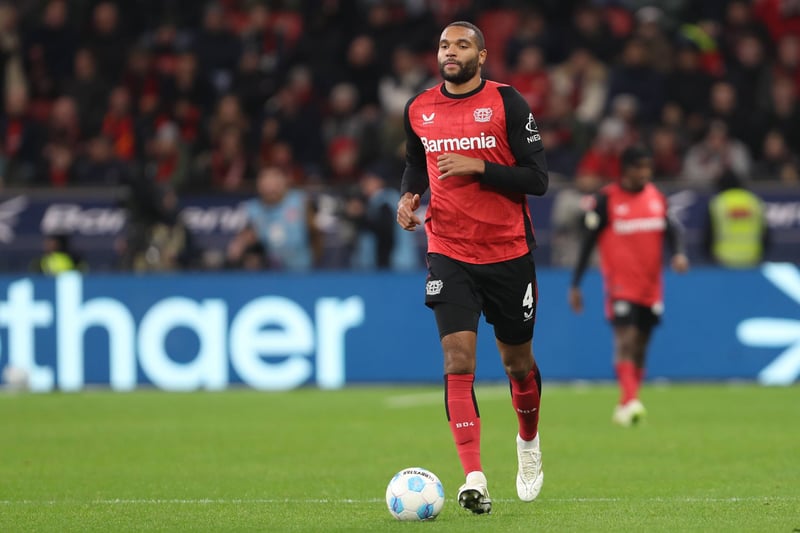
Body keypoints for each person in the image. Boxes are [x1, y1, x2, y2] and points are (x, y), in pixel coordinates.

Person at [396, 21, 549, 514]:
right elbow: (416, 161)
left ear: (481, 56)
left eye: (462, 45)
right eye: (445, 44)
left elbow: (538, 179)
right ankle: (474, 477)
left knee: (517, 365)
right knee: (457, 360)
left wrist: (479, 167)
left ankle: (528, 441)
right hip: (448, 251)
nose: (451, 51)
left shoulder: (507, 102)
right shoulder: (418, 108)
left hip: (508, 252)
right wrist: (409, 195)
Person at [568, 145, 689, 427]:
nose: (645, 172)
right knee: (626, 339)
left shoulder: (657, 197)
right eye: (640, 167)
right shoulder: (606, 200)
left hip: (651, 285)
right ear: (626, 169)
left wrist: (679, 254)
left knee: (642, 345)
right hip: (620, 284)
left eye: (648, 167)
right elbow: (588, 243)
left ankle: (626, 403)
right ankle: (632, 400)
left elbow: (672, 230)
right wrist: (576, 284)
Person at [703, 171, 769, 268]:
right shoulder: (754, 201)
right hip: (752, 259)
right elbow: (766, 233)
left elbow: (708, 234)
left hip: (724, 260)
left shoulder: (718, 203)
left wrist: (709, 256)